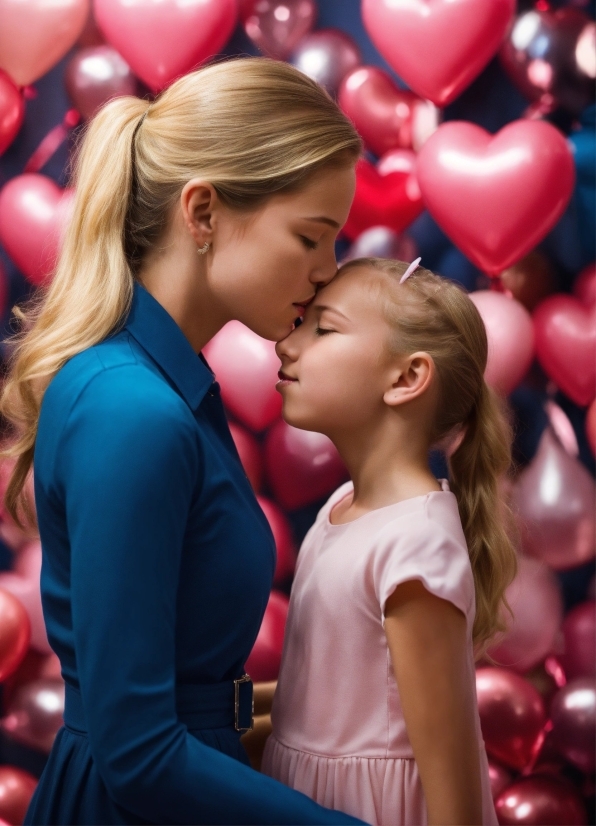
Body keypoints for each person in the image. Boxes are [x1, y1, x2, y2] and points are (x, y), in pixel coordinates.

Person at [0, 57, 369, 825]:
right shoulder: (135, 412)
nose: (328, 271)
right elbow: (137, 753)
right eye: (311, 236)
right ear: (202, 212)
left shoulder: (163, 389)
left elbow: (183, 696)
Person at [262, 257, 519, 826]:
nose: (287, 343)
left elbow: (454, 794)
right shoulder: (338, 509)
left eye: (323, 328)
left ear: (406, 378)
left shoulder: (416, 546)